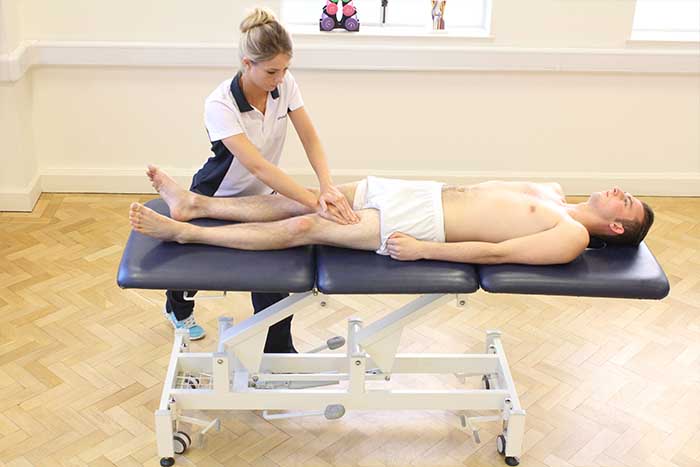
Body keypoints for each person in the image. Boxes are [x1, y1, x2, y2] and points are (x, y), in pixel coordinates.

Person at [163, 7, 359, 349]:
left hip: (261, 196)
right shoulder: (220, 104)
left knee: (273, 275)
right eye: (271, 71)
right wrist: (315, 202)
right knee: (192, 271)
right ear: (246, 63)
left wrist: (327, 186)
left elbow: (310, 138)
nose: (279, 78)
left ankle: (279, 348)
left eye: (285, 69)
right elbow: (258, 166)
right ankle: (177, 306)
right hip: (216, 196)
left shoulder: (284, 85)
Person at [131, 167, 655, 266]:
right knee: (309, 199)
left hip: (428, 226)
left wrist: (426, 250)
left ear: (615, 228)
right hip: (420, 191)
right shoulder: (555, 190)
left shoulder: (566, 237)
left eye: (625, 203)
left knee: (306, 228)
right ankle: (196, 205)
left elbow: (498, 253)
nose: (619, 191)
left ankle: (182, 233)